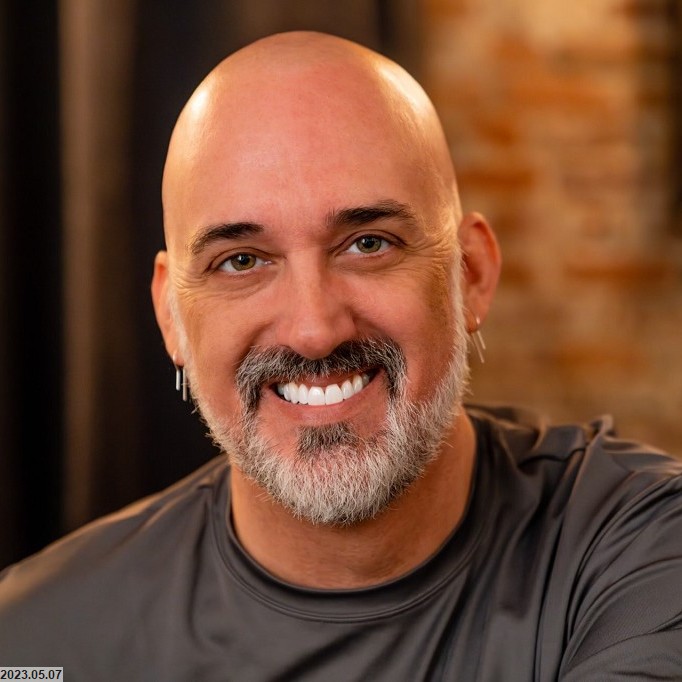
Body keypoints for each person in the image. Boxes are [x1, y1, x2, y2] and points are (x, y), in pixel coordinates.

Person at [1, 31, 681, 681]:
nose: (314, 330)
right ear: (171, 317)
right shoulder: (35, 639)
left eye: (368, 244)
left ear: (470, 273)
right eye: (242, 261)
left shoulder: (645, 550)